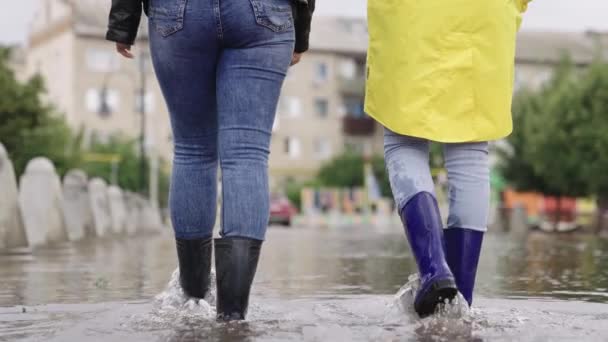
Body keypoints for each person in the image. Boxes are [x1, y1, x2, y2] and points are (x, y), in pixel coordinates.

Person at [106, 0, 315, 321]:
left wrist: (124, 21)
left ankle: (194, 299)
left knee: (192, 150)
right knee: (247, 153)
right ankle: (233, 312)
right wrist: (300, 27)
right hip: (263, 13)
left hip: (179, 13)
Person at [365, 0, 531, 317]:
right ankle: (459, 303)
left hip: (411, 16)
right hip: (485, 17)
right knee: (470, 153)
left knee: (404, 139)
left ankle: (434, 270)